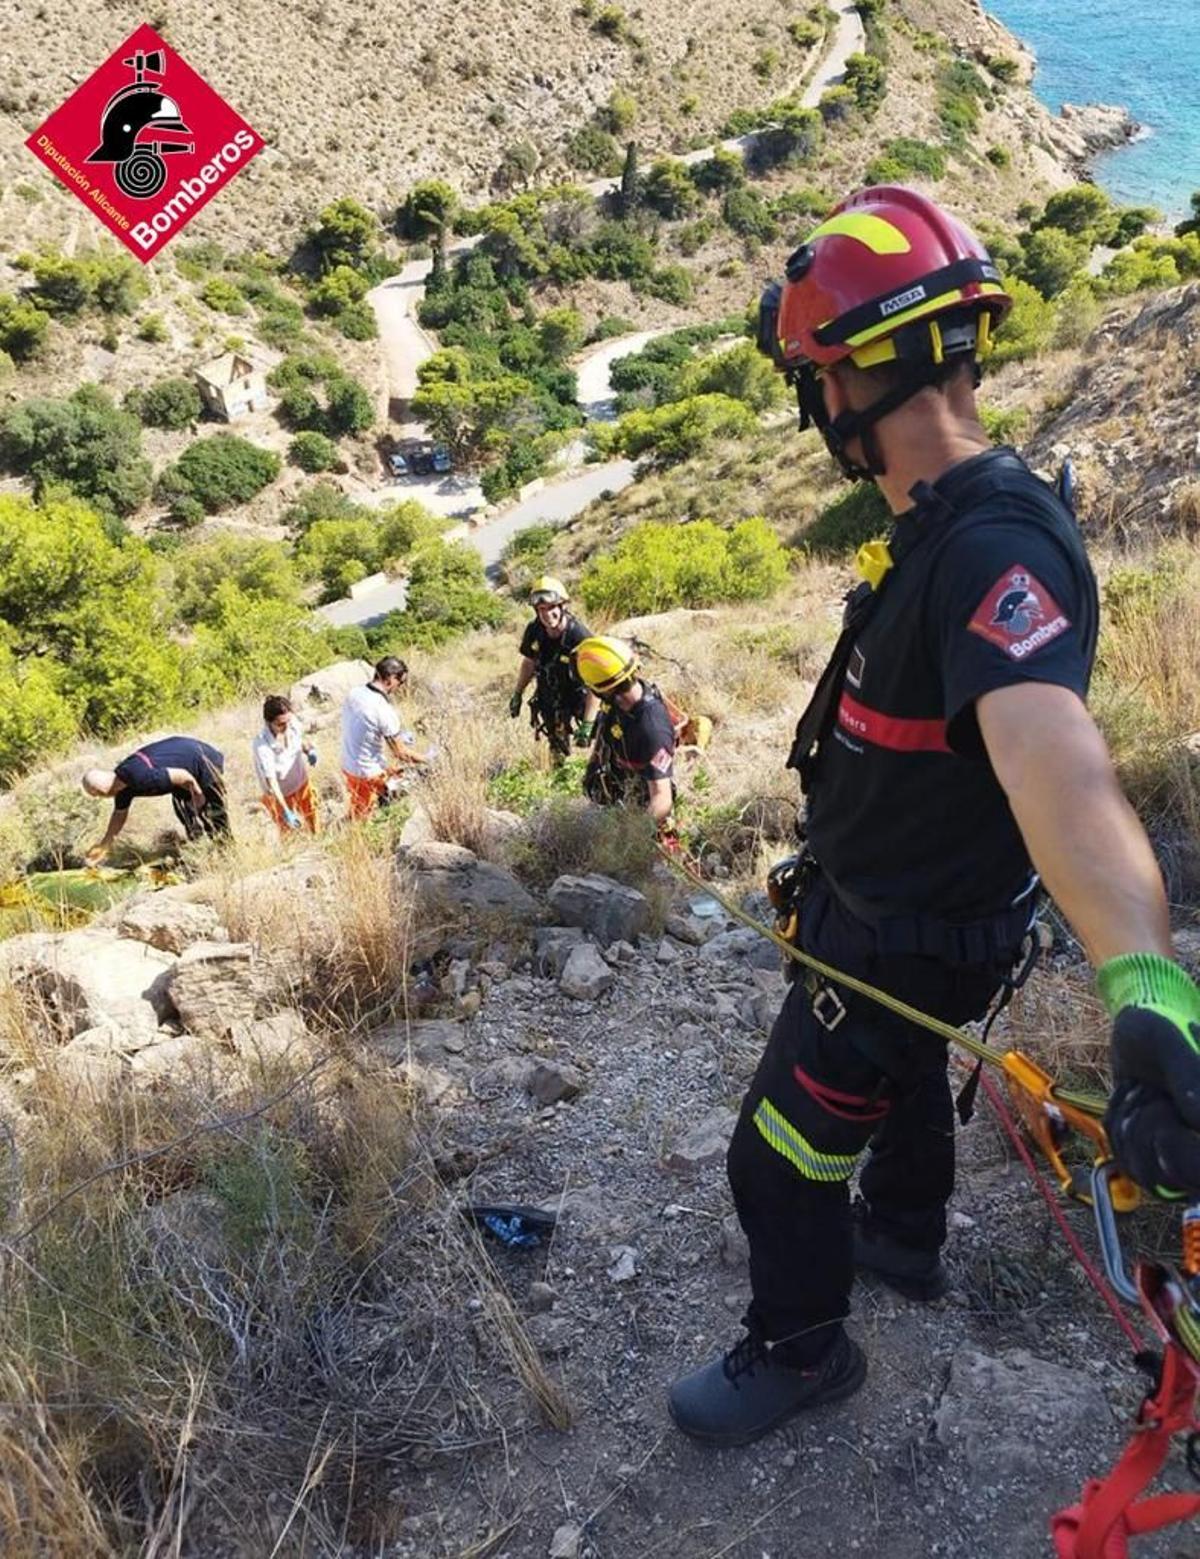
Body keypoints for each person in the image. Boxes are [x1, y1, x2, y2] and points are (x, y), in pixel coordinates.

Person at [668, 183, 1200, 1447]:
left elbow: (1056, 757)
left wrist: (1148, 981)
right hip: (909, 919)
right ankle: (903, 1238)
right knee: (902, 1074)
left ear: (851, 382)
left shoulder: (989, 550)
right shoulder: (960, 517)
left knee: (774, 1155)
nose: (814, 413)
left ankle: (801, 1349)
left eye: (815, 382)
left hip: (902, 938)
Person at [575, 636, 678, 840]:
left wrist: (631, 837)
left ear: (608, 690)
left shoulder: (652, 728)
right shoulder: (620, 695)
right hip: (619, 784)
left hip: (644, 797)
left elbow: (661, 797)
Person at [82, 735, 229, 860]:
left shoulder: (141, 778)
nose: (98, 798)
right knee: (186, 814)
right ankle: (201, 854)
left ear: (101, 790)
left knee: (212, 813)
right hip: (182, 770)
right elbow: (119, 814)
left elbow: (184, 776)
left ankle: (226, 853)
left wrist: (198, 796)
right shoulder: (121, 783)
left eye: (96, 795)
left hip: (202, 762)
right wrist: (104, 845)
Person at [509, 577, 600, 757]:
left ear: (562, 607)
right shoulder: (534, 630)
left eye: (551, 608)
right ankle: (560, 775)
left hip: (579, 694)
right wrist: (518, 693)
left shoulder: (579, 636)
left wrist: (589, 722)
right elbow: (529, 662)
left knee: (603, 736)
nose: (547, 614)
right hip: (550, 695)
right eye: (541, 609)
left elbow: (595, 682)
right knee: (557, 746)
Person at [340, 656, 432, 820]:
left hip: (348, 764)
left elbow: (363, 728)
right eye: (400, 682)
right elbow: (401, 753)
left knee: (358, 804)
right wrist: (428, 759)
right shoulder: (383, 710)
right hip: (366, 773)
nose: (400, 687)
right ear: (390, 678)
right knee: (364, 816)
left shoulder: (355, 693)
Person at [252, 695, 319, 836]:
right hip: (280, 794)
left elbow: (300, 740)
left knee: (312, 817)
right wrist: (286, 810)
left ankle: (317, 839)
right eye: (281, 724)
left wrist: (309, 750)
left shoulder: (290, 722)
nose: (286, 727)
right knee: (287, 832)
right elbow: (272, 782)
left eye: (288, 721)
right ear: (268, 722)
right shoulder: (262, 746)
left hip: (301, 782)